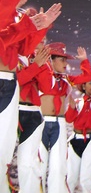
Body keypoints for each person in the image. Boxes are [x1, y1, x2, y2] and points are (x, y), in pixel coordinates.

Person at [0, 0, 61, 193]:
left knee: (4, 152)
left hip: (9, 83)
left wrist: (40, 27)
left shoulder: (17, 16)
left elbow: (23, 51)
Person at [37, 43, 91, 193]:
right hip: (42, 122)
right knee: (38, 164)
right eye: (62, 60)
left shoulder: (68, 79)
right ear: (51, 60)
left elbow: (87, 77)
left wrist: (84, 60)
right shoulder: (40, 73)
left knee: (59, 165)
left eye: (66, 60)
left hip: (60, 124)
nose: (66, 64)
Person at [15, 38, 51, 192]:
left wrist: (40, 65)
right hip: (10, 112)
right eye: (36, 37)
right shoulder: (13, 56)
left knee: (27, 163)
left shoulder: (42, 62)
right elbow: (17, 81)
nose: (39, 42)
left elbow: (46, 87)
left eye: (42, 40)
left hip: (33, 115)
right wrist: (35, 65)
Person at [65, 69, 91, 193]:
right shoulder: (78, 102)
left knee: (87, 177)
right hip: (76, 139)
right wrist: (72, 108)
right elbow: (69, 119)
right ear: (83, 85)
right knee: (70, 175)